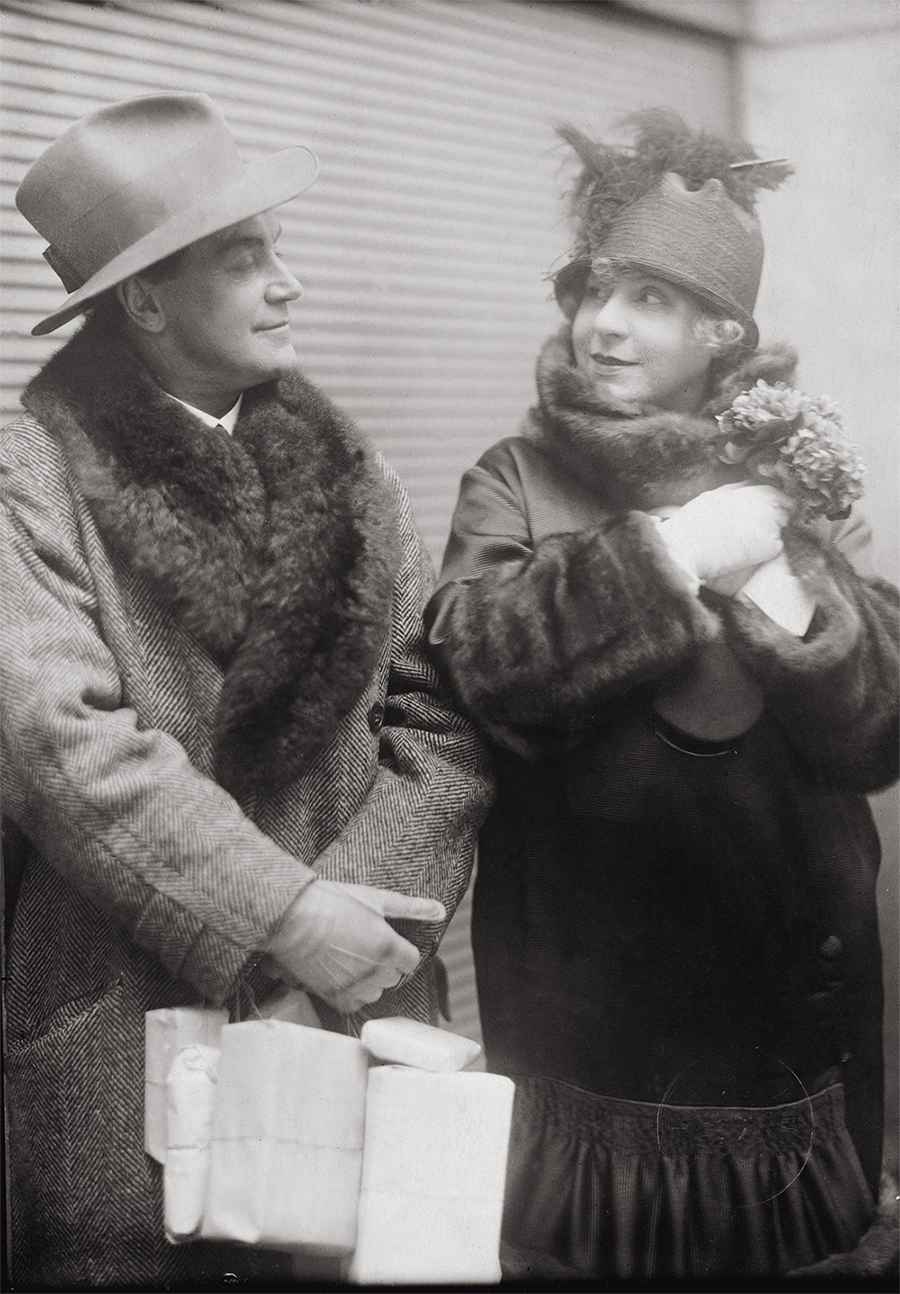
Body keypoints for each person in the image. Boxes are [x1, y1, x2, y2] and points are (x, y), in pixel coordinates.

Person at [1, 92, 491, 1286]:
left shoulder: (353, 475)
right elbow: (60, 745)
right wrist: (280, 920)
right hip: (123, 1021)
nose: (291, 283)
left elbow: (444, 717)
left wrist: (353, 922)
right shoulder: (30, 471)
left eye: (279, 248)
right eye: (245, 257)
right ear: (145, 300)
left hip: (359, 998)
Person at [425, 111, 900, 1277]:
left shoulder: (791, 473)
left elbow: (879, 730)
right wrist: (675, 549)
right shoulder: (516, 478)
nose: (602, 323)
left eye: (647, 298)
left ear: (722, 332)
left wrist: (789, 590)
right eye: (595, 290)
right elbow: (478, 659)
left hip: (781, 1054)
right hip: (589, 1048)